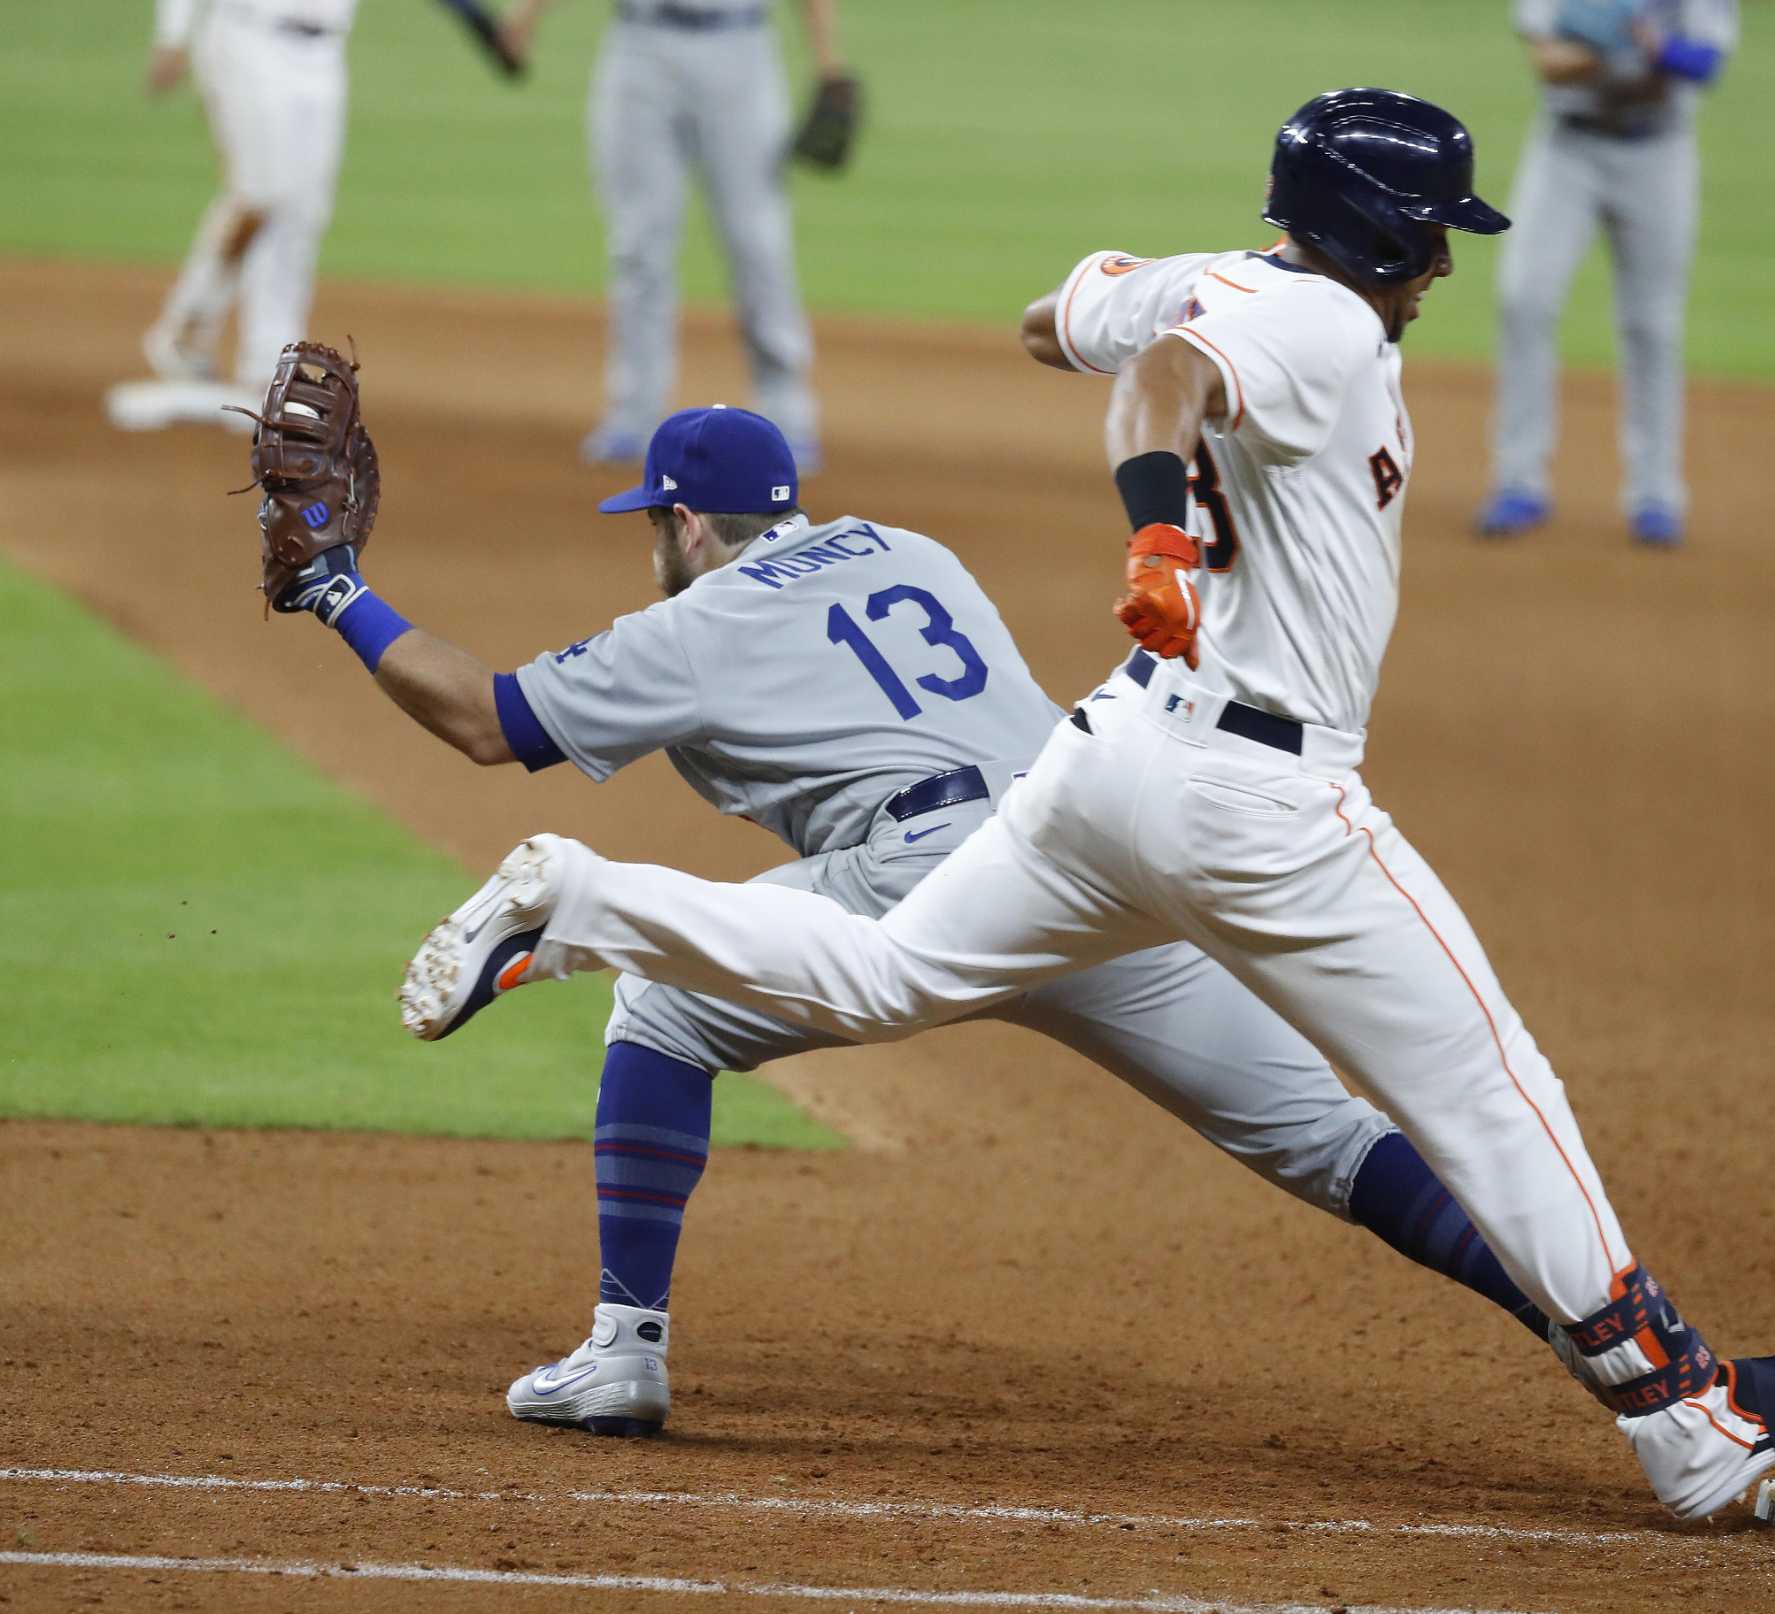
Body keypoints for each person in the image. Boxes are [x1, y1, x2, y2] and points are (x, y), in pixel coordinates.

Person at [401, 90, 1775, 1518]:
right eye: (1430, 235)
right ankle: (1691, 1419)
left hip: (1102, 766)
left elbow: (1065, 325)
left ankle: (589, 898)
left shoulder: (1233, 287)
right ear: (1366, 231)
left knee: (881, 968)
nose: (1443, 263)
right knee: (1493, 1090)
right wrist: (1160, 525)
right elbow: (1162, 382)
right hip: (1258, 800)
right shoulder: (1320, 322)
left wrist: (1155, 311)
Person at [265, 400, 1556, 1436]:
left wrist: (333, 587)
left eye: (650, 524)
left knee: (658, 1006)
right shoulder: (906, 547)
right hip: (1082, 856)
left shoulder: (701, 616)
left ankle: (623, 1352)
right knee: (1327, 1137)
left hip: (922, 877)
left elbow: (484, 719)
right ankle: (1621, 1337)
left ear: (686, 525)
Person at [502, 0, 841, 469]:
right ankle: (634, 415)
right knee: (638, 245)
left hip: (741, 51)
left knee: (757, 242)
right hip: (641, 49)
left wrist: (828, 62)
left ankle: (788, 415)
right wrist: (526, 16)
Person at [1475, 0, 1739, 547]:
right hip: (1567, 147)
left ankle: (1656, 494)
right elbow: (1547, 61)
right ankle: (1518, 482)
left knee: (1652, 325)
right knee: (1524, 299)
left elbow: (1705, 64)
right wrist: (1636, 52)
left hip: (1659, 153)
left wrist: (1642, 45)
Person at [109, 0, 358, 432]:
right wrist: (173, 36)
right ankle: (185, 326)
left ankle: (268, 364)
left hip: (325, 55)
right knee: (262, 193)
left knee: (304, 212)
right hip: (250, 39)